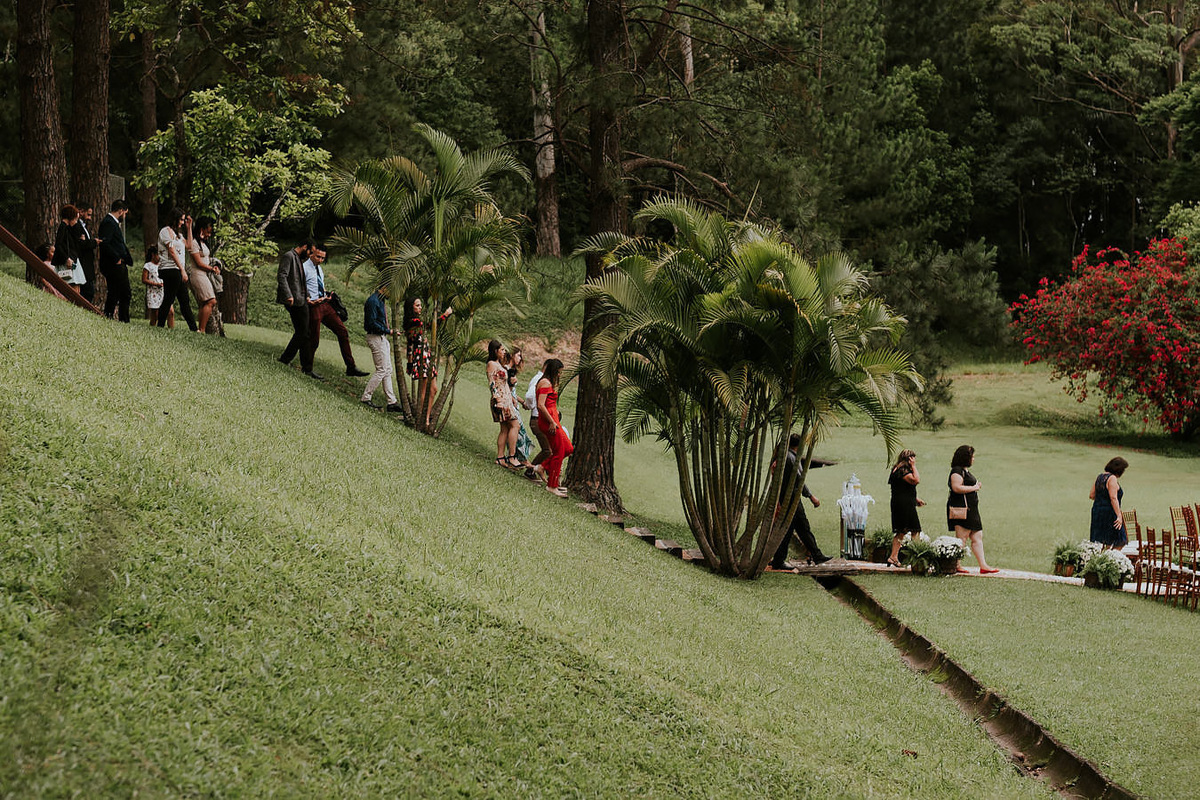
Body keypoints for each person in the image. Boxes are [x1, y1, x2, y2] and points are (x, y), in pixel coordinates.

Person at [302, 245, 368, 378]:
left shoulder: (318, 268)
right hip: (313, 306)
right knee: (314, 339)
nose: (320, 260)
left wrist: (326, 294)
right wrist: (308, 299)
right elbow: (300, 286)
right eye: (318, 257)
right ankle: (307, 368)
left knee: (342, 332)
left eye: (323, 258)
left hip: (325, 304)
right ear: (311, 254)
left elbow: (318, 284)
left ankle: (351, 367)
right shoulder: (304, 268)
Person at [769, 433, 831, 569]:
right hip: (792, 500)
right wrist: (811, 497)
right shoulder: (792, 458)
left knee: (790, 529)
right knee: (802, 527)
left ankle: (779, 559)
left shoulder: (782, 456)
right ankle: (816, 555)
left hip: (784, 498)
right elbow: (799, 481)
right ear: (799, 445)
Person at [947, 445, 998, 574]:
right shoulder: (957, 471)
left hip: (972, 509)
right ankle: (956, 564)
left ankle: (983, 565)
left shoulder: (965, 470)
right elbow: (956, 487)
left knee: (977, 536)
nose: (973, 459)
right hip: (962, 509)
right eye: (972, 456)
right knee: (962, 537)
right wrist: (975, 488)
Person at [404, 297, 453, 426]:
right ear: (411, 308)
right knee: (425, 390)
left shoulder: (417, 321)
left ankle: (425, 417)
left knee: (433, 389)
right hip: (421, 356)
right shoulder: (413, 322)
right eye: (417, 305)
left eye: (420, 305)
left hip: (426, 355)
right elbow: (428, 327)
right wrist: (445, 315)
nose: (420, 308)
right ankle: (422, 419)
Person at [535, 358, 574, 497]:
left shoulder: (548, 383)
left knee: (568, 448)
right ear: (553, 370)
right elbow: (540, 405)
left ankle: (543, 466)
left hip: (553, 419)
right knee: (559, 451)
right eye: (558, 372)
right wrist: (551, 421)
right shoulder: (545, 382)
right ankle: (552, 485)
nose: (559, 375)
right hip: (548, 421)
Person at [277, 240, 316, 376]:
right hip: (294, 300)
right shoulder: (289, 256)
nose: (310, 255)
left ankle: (306, 367)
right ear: (305, 247)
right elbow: (282, 276)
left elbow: (301, 280)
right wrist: (288, 295)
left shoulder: (298, 258)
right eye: (310, 251)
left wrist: (308, 295)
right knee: (303, 333)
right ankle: (287, 359)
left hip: (301, 299)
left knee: (304, 333)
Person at [361, 286, 402, 412]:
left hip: (381, 337)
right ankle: (366, 397)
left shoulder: (380, 300)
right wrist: (388, 331)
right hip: (375, 336)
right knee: (382, 369)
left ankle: (391, 401)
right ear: (384, 287)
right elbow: (371, 323)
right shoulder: (373, 301)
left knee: (387, 369)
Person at [156, 209, 198, 331]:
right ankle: (160, 326)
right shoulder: (165, 231)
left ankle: (194, 329)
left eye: (183, 220)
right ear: (174, 219)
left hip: (177, 270)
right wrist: (182, 270)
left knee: (184, 300)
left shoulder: (178, 235)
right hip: (170, 269)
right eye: (181, 219)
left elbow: (189, 246)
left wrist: (189, 228)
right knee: (169, 298)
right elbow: (172, 251)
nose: (182, 222)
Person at [886, 449, 926, 568]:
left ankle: (893, 556)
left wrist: (915, 499)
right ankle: (918, 556)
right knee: (914, 530)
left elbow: (902, 489)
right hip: (904, 505)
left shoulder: (896, 469)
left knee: (902, 531)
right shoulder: (903, 470)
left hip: (901, 502)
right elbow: (915, 480)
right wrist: (914, 466)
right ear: (909, 459)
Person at [488, 340, 522, 469]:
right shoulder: (491, 364)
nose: (504, 352)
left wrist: (512, 394)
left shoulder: (499, 364)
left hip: (507, 398)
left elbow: (504, 383)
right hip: (501, 400)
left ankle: (500, 457)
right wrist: (498, 400)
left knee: (505, 429)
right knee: (515, 425)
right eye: (501, 350)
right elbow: (492, 384)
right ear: (495, 351)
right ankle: (512, 456)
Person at [98, 199, 135, 321]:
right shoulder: (109, 223)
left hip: (117, 263)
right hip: (114, 264)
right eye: (125, 213)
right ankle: (119, 318)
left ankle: (113, 317)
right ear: (120, 211)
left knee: (118, 292)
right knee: (122, 293)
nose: (124, 216)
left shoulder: (111, 223)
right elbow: (105, 243)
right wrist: (116, 258)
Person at [187, 215, 222, 334]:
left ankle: (200, 328)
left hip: (204, 274)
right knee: (211, 301)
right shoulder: (194, 243)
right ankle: (201, 329)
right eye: (208, 231)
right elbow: (198, 263)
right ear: (201, 229)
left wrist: (213, 265)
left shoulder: (202, 242)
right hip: (198, 274)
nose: (209, 234)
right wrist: (212, 269)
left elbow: (205, 258)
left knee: (204, 302)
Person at [1089, 456, 1130, 549]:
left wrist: (1102, 499)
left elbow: (1092, 495)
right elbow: (1113, 497)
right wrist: (1119, 515)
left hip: (1097, 511)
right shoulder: (1112, 478)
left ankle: (1105, 558)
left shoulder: (1100, 477)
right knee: (1120, 540)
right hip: (1110, 513)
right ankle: (1110, 559)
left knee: (1102, 541)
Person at [524, 363, 552, 477]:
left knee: (549, 449)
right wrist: (532, 406)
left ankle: (541, 470)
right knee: (548, 450)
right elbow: (530, 396)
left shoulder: (540, 379)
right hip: (537, 418)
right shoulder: (540, 380)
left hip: (539, 418)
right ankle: (530, 470)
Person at [72, 202, 99, 303]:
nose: (89, 218)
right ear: (81, 211)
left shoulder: (83, 226)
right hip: (82, 263)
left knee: (89, 291)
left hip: (87, 264)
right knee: (87, 291)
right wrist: (93, 242)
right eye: (88, 214)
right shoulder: (76, 226)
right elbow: (81, 244)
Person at [51, 205, 82, 288]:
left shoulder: (67, 228)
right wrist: (66, 258)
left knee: (76, 286)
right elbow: (59, 244)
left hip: (70, 258)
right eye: (75, 219)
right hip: (66, 260)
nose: (76, 221)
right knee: (73, 286)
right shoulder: (63, 227)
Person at [142, 245, 173, 327]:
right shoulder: (148, 266)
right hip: (153, 292)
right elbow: (144, 279)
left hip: (163, 291)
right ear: (153, 255)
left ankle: (171, 329)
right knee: (155, 314)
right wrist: (155, 284)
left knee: (170, 311)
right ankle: (153, 327)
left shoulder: (163, 265)